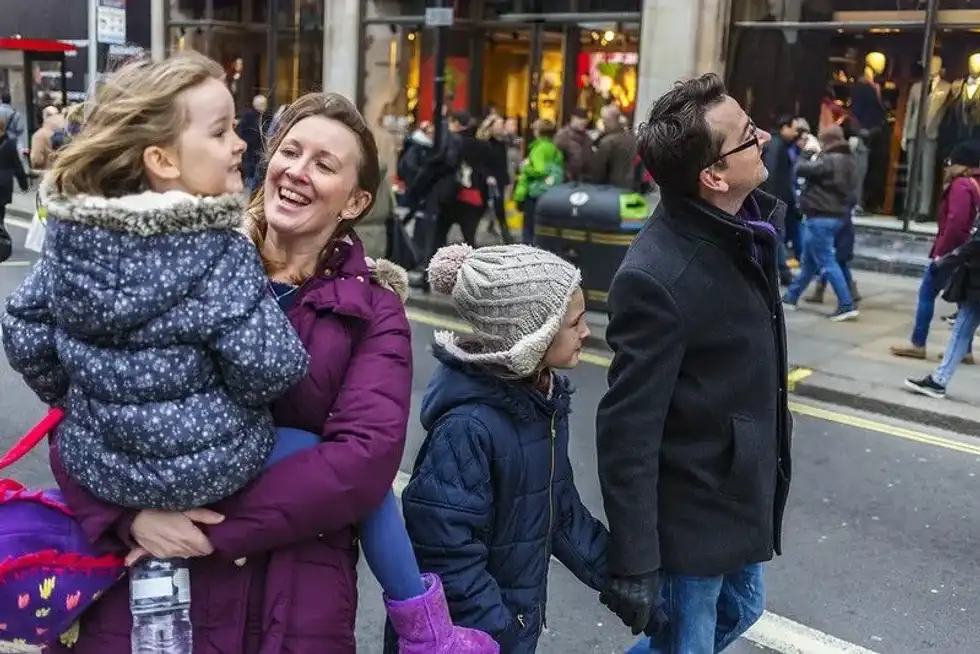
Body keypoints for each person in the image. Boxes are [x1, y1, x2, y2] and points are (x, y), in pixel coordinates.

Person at [2, 53, 494, 653]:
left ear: (356, 202)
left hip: (290, 604)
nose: (296, 171)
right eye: (289, 151)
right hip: (138, 588)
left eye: (323, 163)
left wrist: (207, 530)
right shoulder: (204, 256)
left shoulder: (375, 313)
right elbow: (80, 411)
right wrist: (130, 519)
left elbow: (360, 465)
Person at [595, 73, 793, 654]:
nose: (764, 137)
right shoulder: (656, 278)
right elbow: (626, 430)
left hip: (738, 494)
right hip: (693, 517)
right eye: (748, 135)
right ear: (713, 176)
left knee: (744, 608)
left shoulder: (746, 227)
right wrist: (635, 559)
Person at [387, 243, 608, 654]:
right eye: (575, 322)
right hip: (470, 643)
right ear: (533, 336)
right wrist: (501, 632)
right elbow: (445, 555)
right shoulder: (466, 427)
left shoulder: (540, 402)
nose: (586, 332)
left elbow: (559, 514)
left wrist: (623, 579)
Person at [891, 140, 980, 364]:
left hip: (954, 252)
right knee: (964, 301)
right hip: (971, 251)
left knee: (927, 292)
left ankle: (918, 343)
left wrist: (943, 254)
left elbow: (956, 223)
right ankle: (965, 350)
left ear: (962, 165)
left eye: (950, 162)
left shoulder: (962, 185)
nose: (947, 167)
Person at [781, 125, 860, 321]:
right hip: (834, 216)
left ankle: (846, 304)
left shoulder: (830, 160)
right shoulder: (849, 159)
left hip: (821, 217)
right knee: (809, 261)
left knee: (826, 260)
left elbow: (800, 169)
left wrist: (807, 152)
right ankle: (791, 296)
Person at [513, 118, 563, 244]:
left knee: (528, 227)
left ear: (538, 132)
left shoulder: (539, 149)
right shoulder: (553, 148)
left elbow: (539, 170)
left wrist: (525, 167)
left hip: (534, 191)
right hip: (547, 191)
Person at [587, 104, 638, 189]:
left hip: (610, 189)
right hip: (631, 187)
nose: (603, 122)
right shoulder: (631, 138)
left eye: (604, 120)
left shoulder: (608, 142)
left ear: (609, 120)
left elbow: (598, 172)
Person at [0, 114, 28, 233]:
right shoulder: (11, 144)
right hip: (5, 182)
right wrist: (24, 185)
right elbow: (17, 167)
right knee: (1, 211)